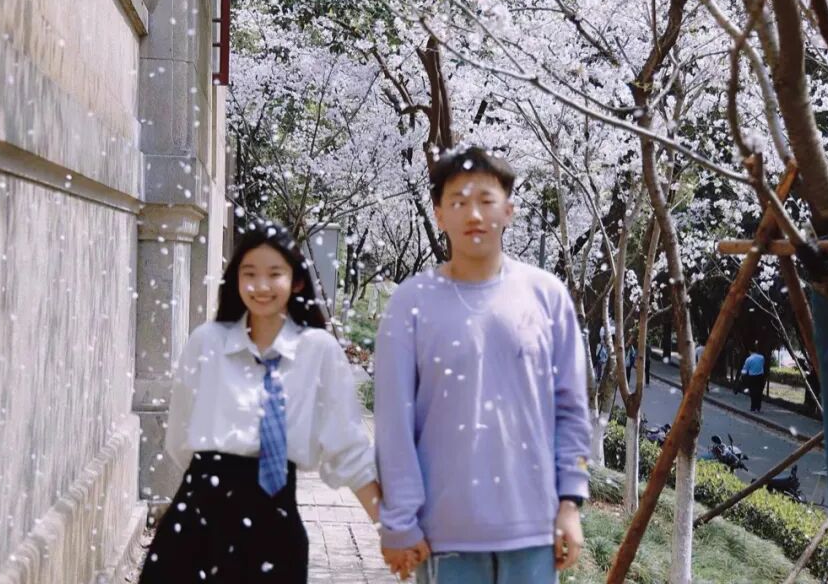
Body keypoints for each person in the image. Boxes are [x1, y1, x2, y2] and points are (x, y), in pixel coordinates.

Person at [374, 147, 592, 583]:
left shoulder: (546, 295)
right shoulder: (411, 303)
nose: (473, 213)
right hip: (446, 537)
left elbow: (570, 408)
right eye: (458, 201)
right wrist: (399, 521)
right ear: (439, 215)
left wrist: (570, 504)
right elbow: (394, 424)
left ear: (508, 210)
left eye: (486, 200)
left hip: (534, 532)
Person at [139, 221, 381, 584]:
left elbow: (348, 449)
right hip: (197, 520)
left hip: (274, 524)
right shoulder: (207, 343)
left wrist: (390, 529)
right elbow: (180, 438)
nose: (261, 285)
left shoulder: (318, 351)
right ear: (235, 279)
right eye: (249, 273)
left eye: (274, 274)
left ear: (296, 281)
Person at [740, 347, 766, 412]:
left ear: (750, 351)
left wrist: (742, 375)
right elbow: (762, 365)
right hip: (760, 377)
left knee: (753, 392)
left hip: (752, 377)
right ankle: (758, 407)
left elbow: (745, 369)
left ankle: (753, 407)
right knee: (759, 392)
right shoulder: (762, 357)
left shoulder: (748, 359)